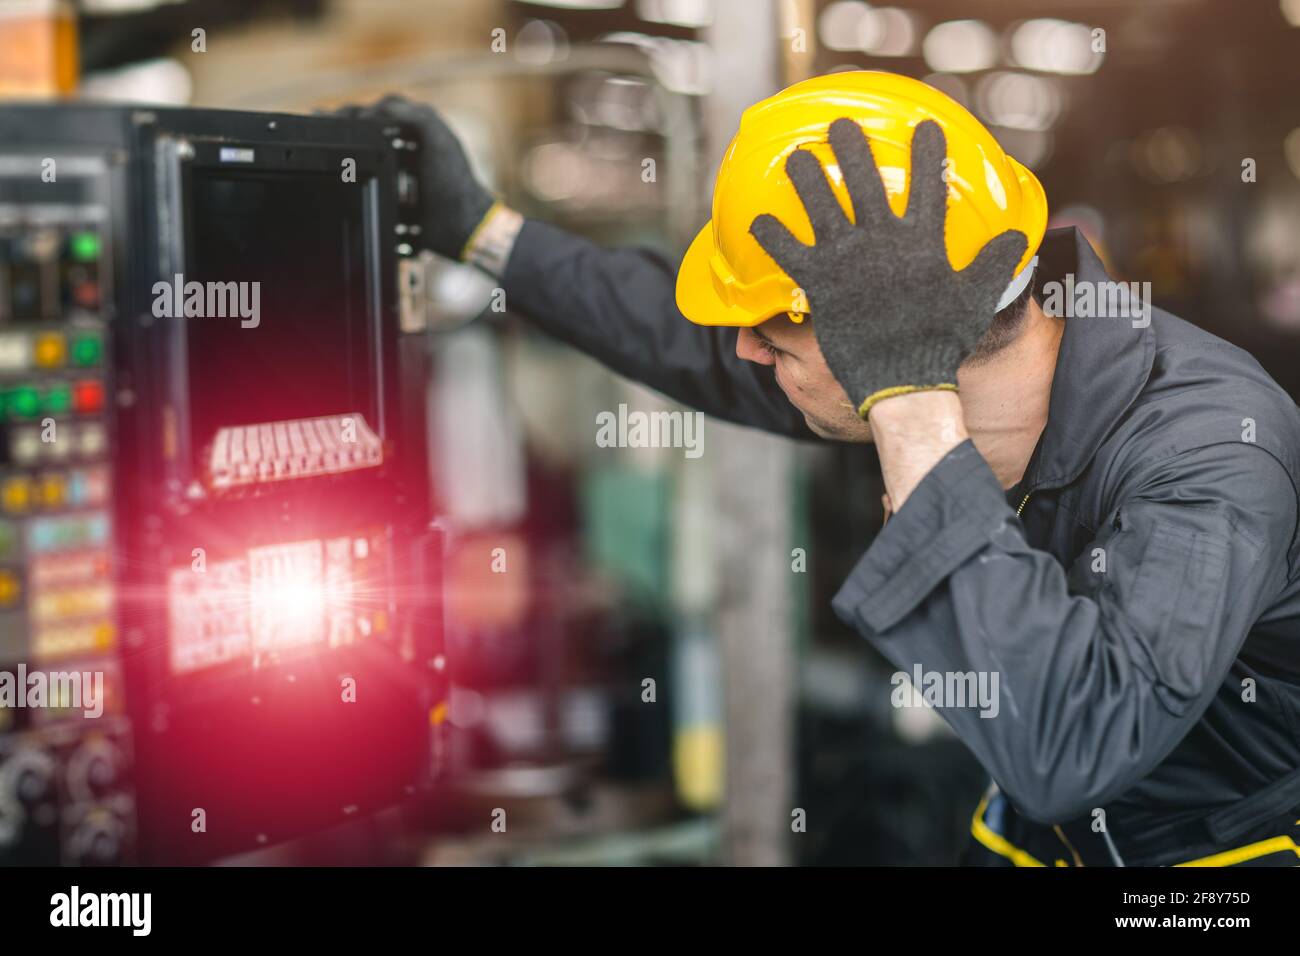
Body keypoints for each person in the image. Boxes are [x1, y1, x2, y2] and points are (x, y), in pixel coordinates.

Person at [347, 71, 1300, 866]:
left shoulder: (1210, 449)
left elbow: (1074, 738)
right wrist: (479, 228)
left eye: (771, 329)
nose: (750, 356)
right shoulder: (914, 373)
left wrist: (911, 404)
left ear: (893, 341)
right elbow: (675, 339)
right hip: (1028, 838)